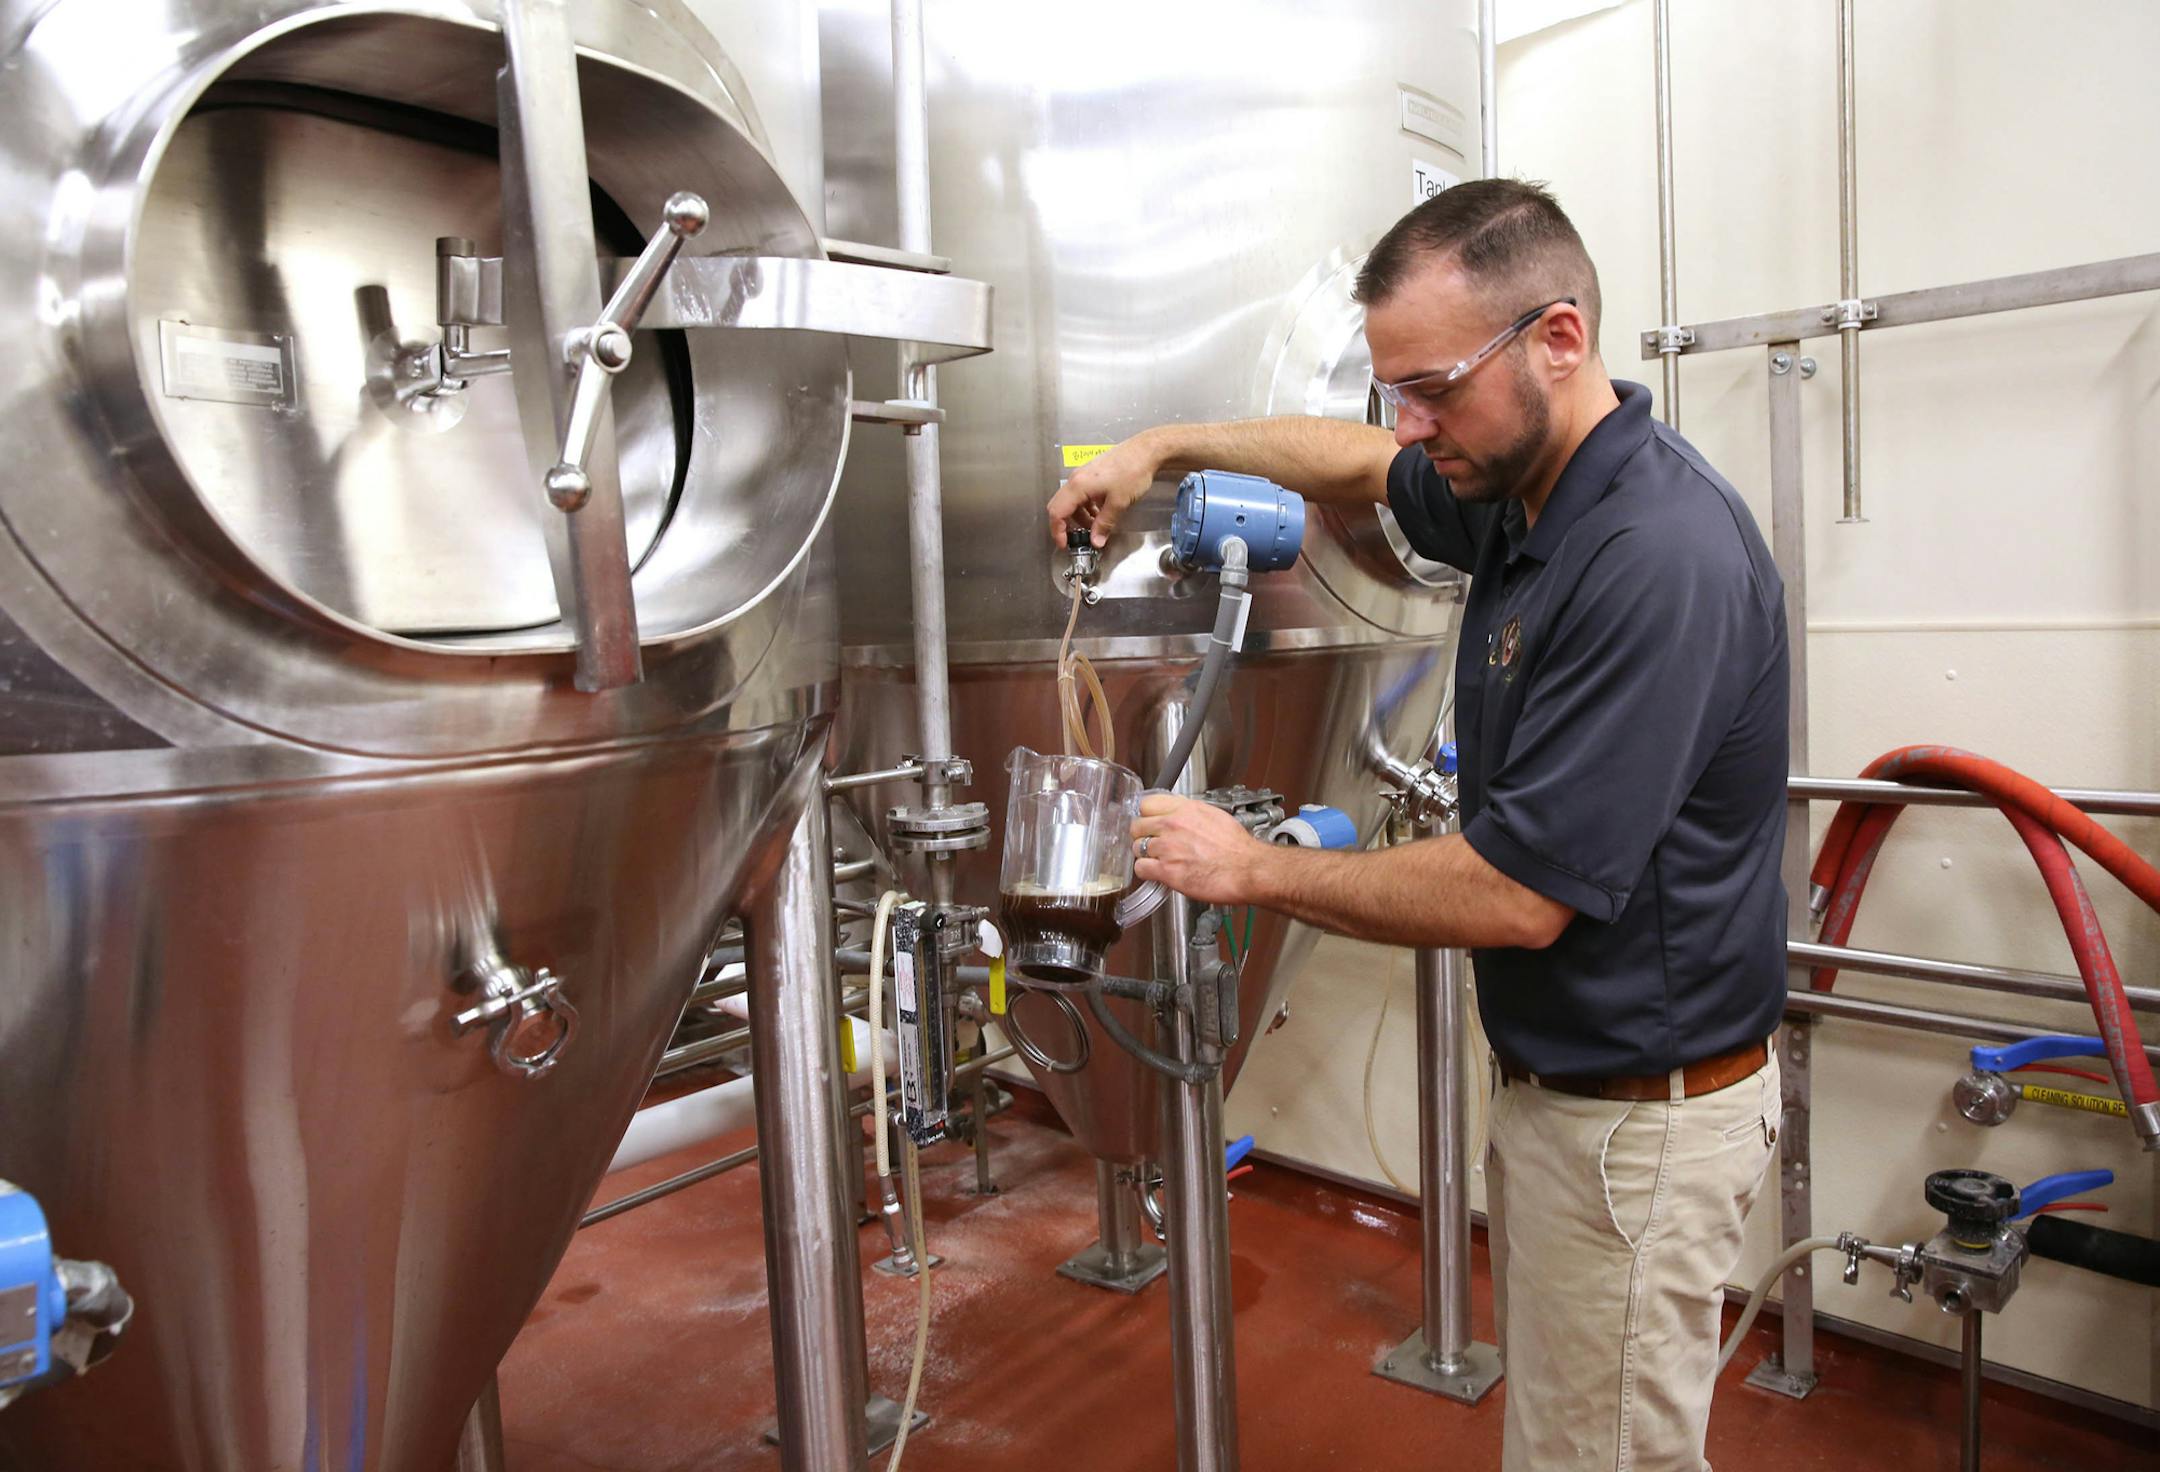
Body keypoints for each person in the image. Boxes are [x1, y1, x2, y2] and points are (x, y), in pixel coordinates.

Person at [1045, 179, 1788, 1472]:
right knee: (1575, 1440)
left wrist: (1253, 869)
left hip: (1637, 1127)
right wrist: (1164, 447)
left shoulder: (1654, 554)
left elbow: (1517, 894)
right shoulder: (1520, 484)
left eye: (1435, 387)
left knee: (1603, 1456)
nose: (1413, 423)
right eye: (1398, 388)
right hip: (1575, 1099)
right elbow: (1356, 464)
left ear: (1559, 338)